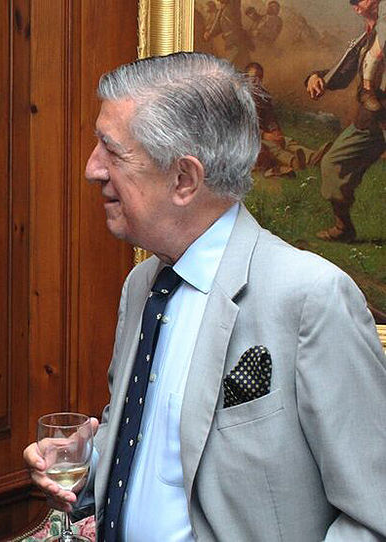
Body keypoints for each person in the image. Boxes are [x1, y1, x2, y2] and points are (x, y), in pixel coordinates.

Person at [24, 52, 386, 541]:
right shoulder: (142, 285)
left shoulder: (311, 298)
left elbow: (374, 514)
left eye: (112, 150)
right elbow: (153, 441)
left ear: (184, 180)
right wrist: (88, 461)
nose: (92, 169)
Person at [306, 0, 385, 242]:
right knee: (332, 163)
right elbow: (342, 74)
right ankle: (343, 228)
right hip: (370, 122)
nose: (358, 3)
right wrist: (315, 77)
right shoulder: (365, 41)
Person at [245, 62, 329, 177]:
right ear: (245, 78)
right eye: (254, 78)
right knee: (271, 147)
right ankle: (294, 162)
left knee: (286, 141)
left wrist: (276, 131)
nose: (257, 82)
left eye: (260, 78)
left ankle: (312, 157)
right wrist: (264, 135)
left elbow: (270, 117)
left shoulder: (262, 95)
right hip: (248, 138)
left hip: (264, 134)